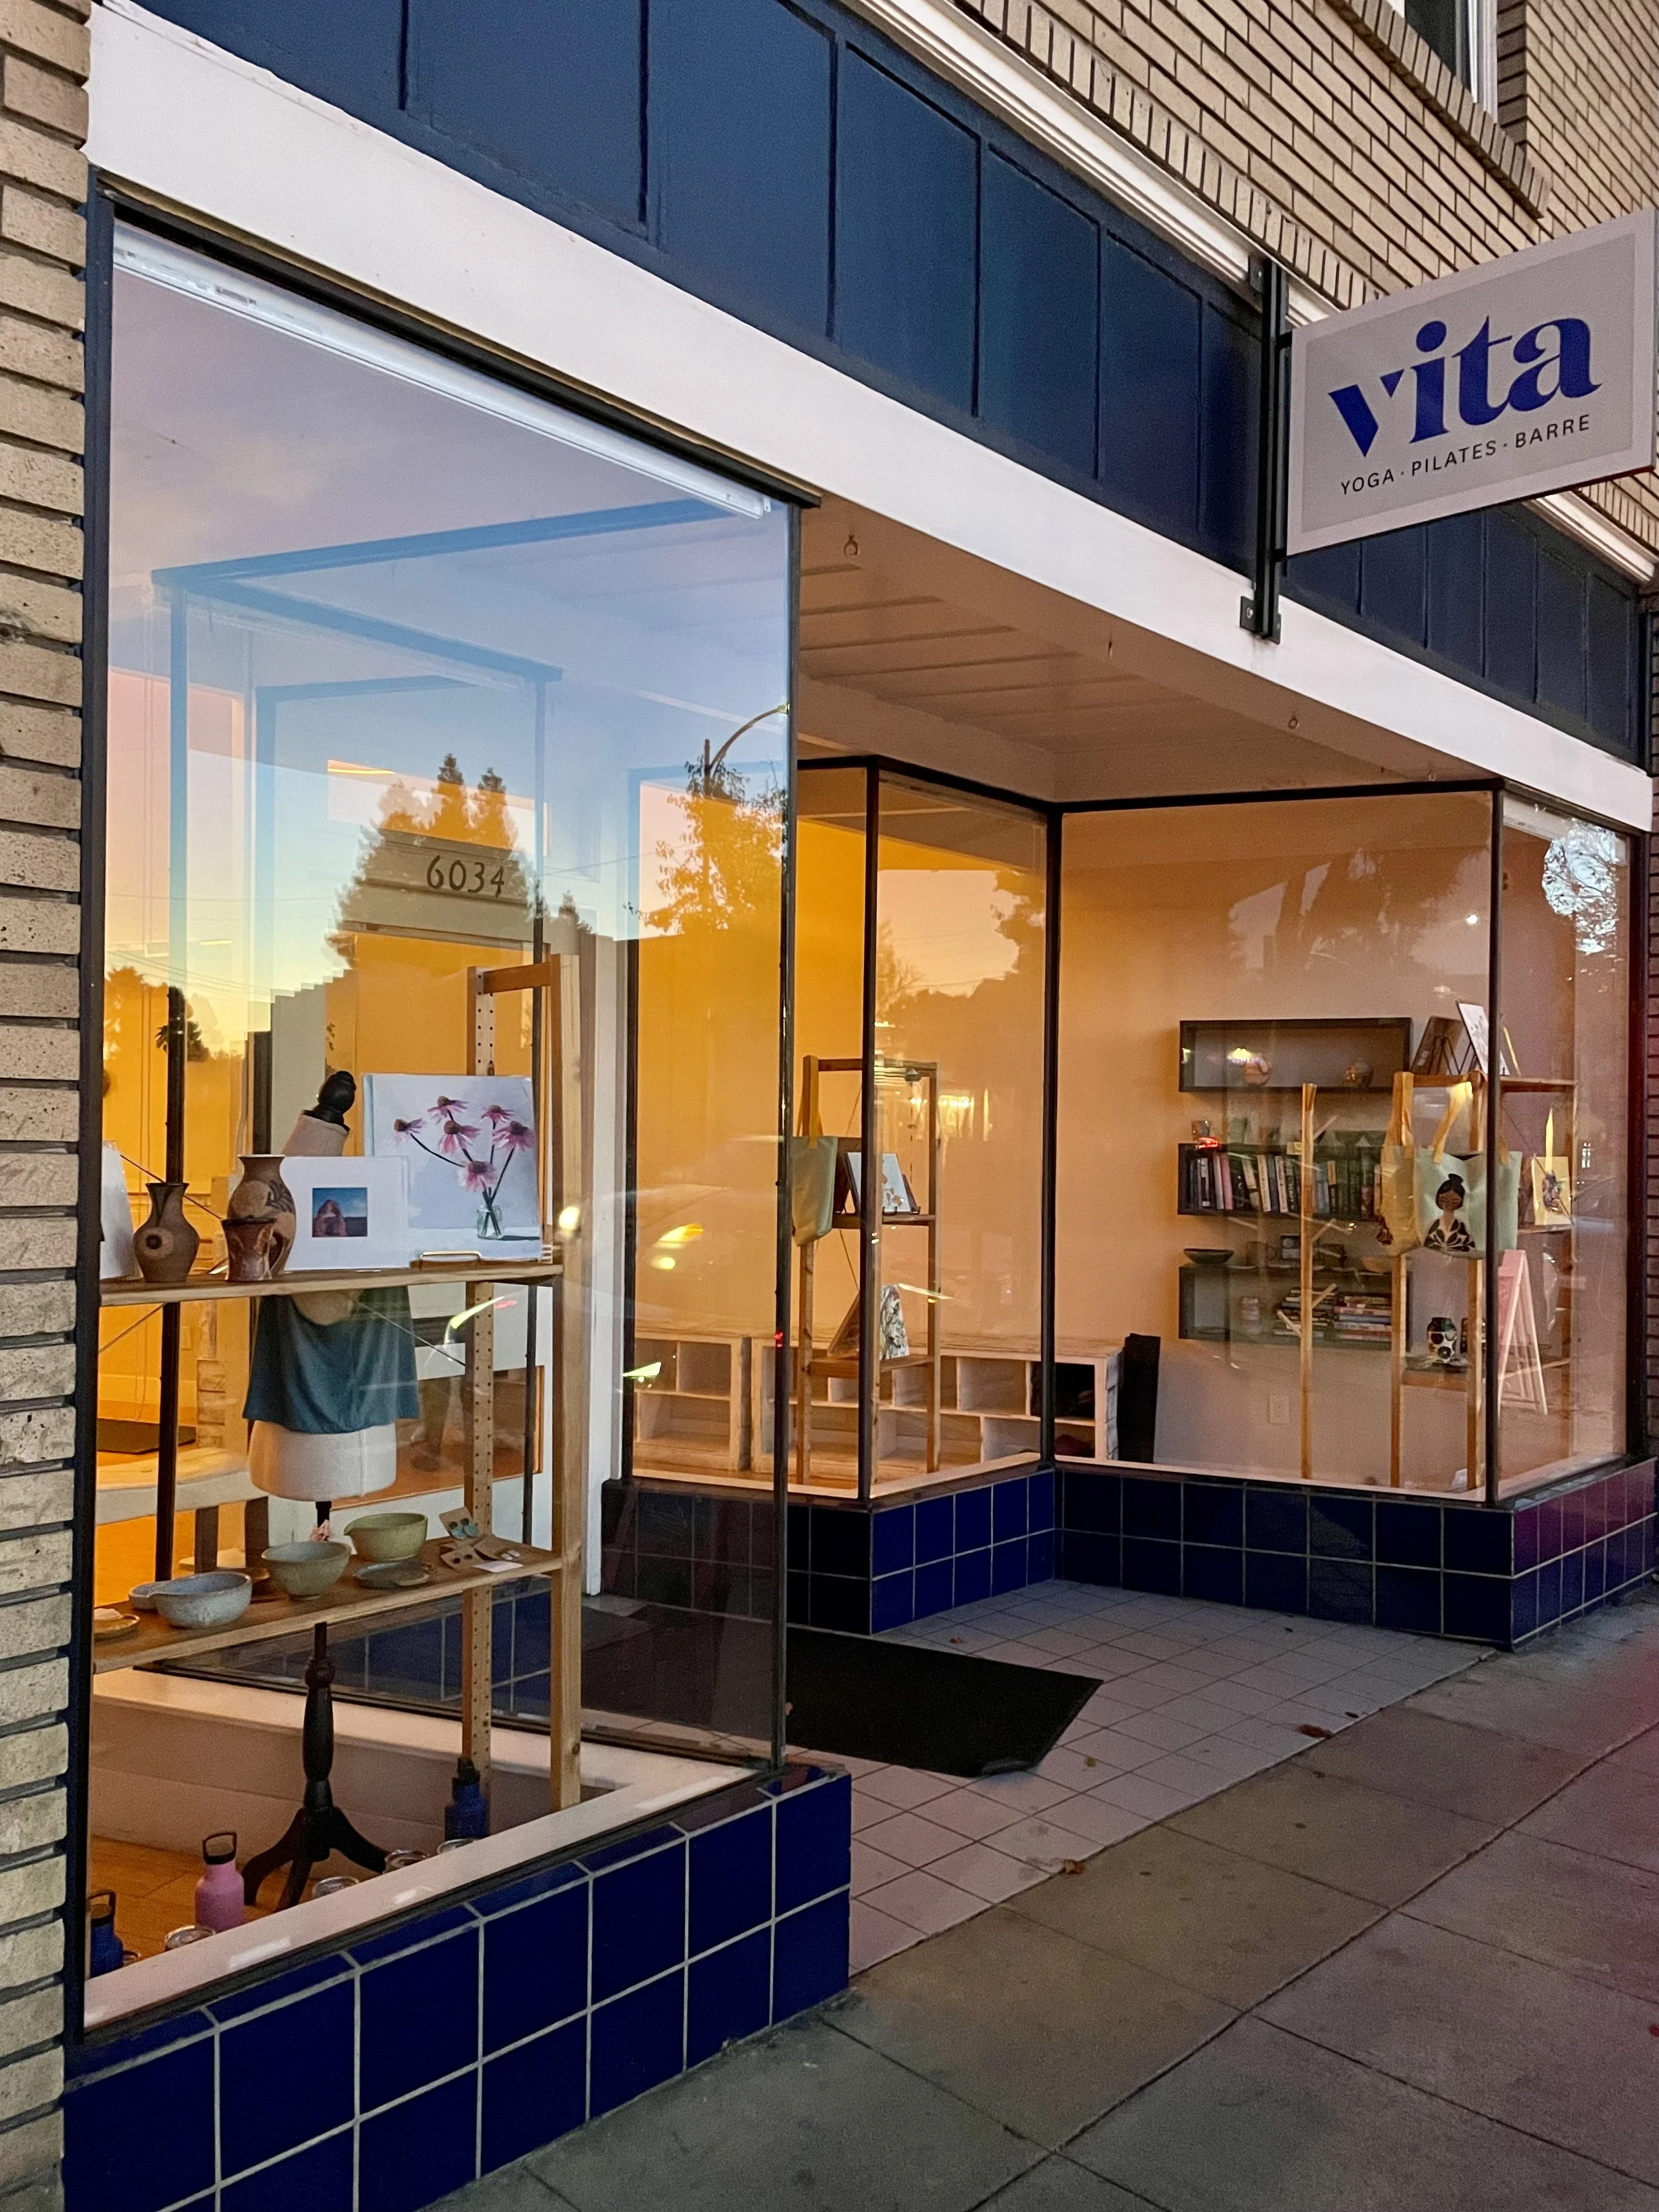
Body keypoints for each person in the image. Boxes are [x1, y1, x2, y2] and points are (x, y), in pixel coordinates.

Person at [1423, 1171, 1475, 1254]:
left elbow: (1470, 1247)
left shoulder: (1461, 1225)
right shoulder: (1434, 1223)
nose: (1448, 1205)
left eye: (1454, 1202)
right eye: (1443, 1200)